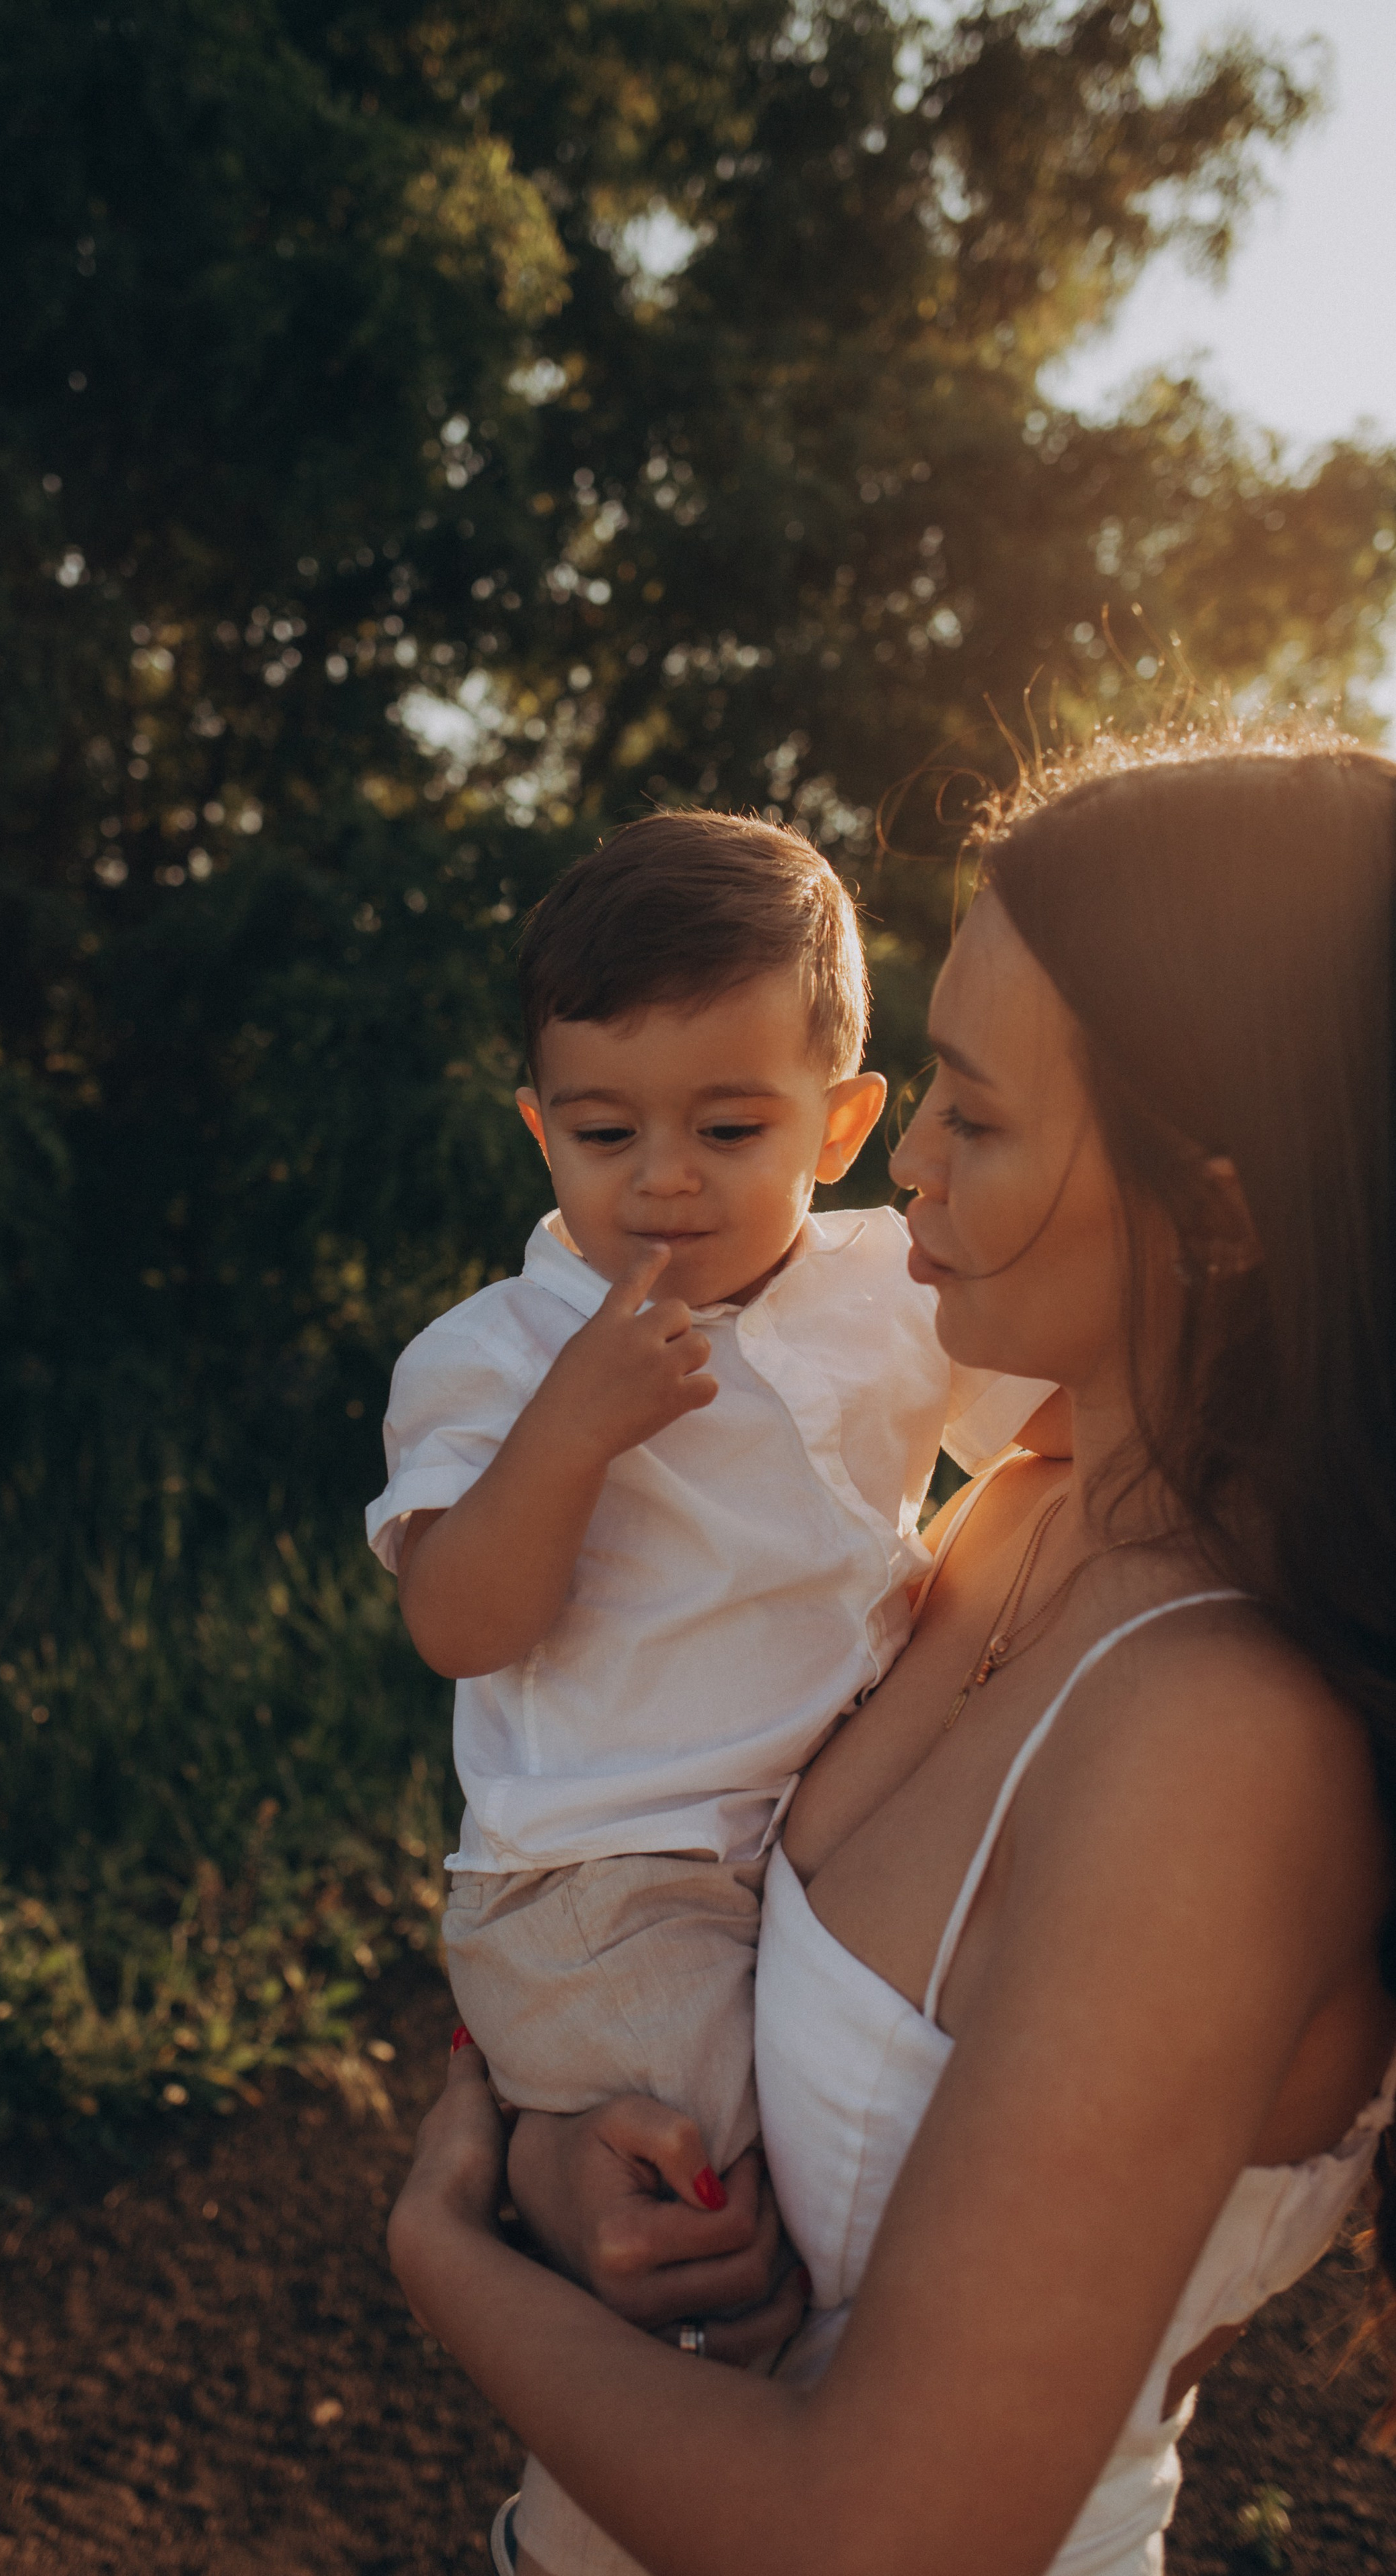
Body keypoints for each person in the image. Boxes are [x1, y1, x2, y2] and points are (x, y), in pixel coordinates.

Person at [388, 729, 1396, 2576]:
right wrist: (551, 2163)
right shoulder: (1023, 1500)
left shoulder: (1218, 1742)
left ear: (1227, 1214)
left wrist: (446, 2253)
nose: (905, 1159)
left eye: (980, 1116)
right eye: (931, 1085)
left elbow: (879, 2534)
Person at [367, 811, 1055, 2190]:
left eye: (729, 1127)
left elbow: (1051, 1446)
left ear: (841, 1123)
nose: (663, 1175)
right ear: (539, 1132)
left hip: (837, 1813)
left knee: (958, 2064)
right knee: (745, 2160)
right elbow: (456, 1624)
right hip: (604, 1874)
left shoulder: (889, 1289)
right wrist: (566, 1434)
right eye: (605, 1130)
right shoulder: (492, 1356)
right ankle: (617, 2313)